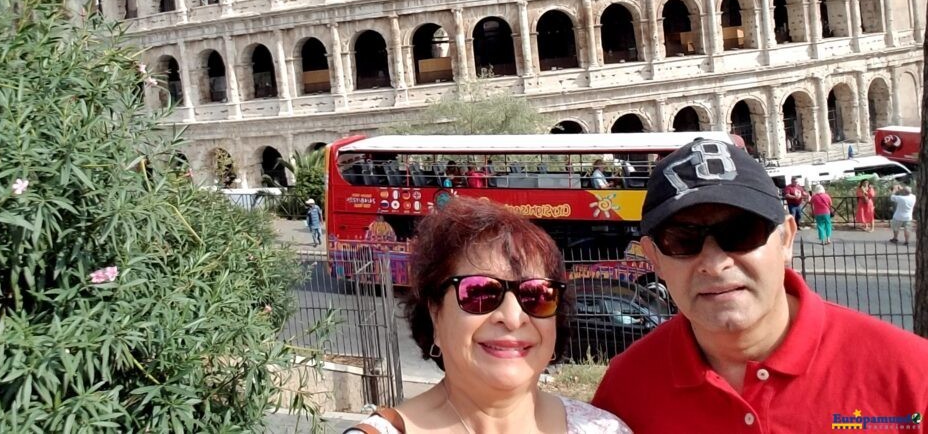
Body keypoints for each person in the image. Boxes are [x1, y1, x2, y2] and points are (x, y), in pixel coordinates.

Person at [591, 138, 928, 433]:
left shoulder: (912, 377)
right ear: (655, 259)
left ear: (786, 238)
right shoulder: (626, 389)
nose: (714, 262)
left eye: (740, 233)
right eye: (681, 240)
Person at [345, 197, 630, 434]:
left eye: (537, 295)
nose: (513, 316)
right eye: (480, 292)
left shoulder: (604, 429)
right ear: (435, 315)